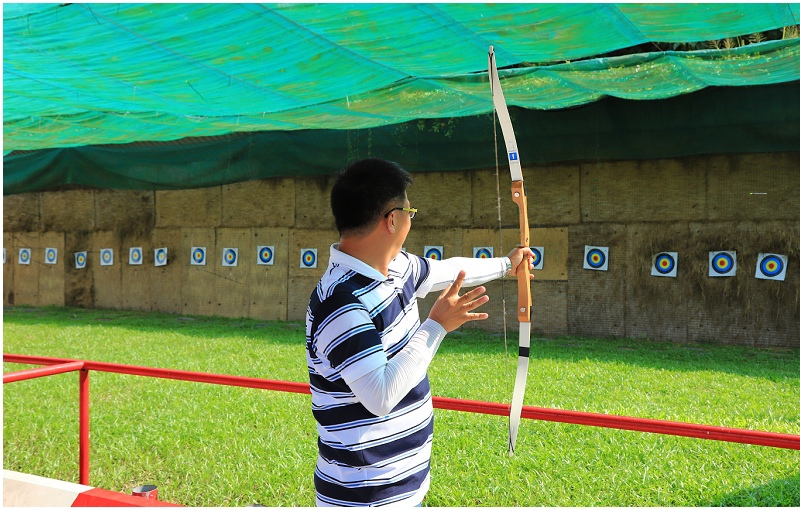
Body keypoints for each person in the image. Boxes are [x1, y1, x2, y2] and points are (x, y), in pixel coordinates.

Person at [305, 158, 533, 507]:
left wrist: (506, 264)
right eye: (410, 209)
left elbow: (448, 270)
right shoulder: (340, 302)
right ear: (393, 218)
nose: (412, 217)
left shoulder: (396, 267)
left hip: (403, 482)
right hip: (365, 495)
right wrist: (437, 325)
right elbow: (379, 396)